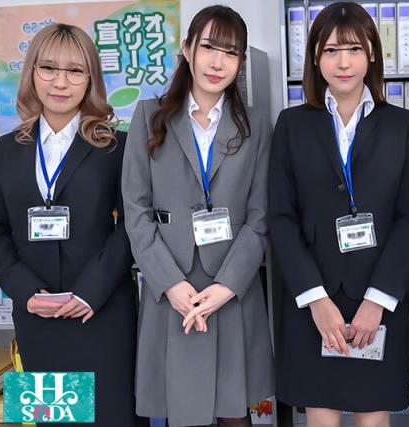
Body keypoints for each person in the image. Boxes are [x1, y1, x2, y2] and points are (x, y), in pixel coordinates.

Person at [268, 3, 409, 426]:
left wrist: (378, 300)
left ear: (372, 53)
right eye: (331, 50)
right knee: (320, 416)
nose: (343, 62)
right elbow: (281, 216)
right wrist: (315, 298)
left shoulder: (402, 125)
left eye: (354, 49)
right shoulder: (292, 125)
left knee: (372, 417)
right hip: (312, 301)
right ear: (315, 57)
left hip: (378, 300)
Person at [122, 6, 274, 427]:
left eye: (231, 52)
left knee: (236, 412)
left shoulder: (256, 126)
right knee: (184, 412)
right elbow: (135, 211)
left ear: (241, 62)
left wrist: (227, 286)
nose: (217, 62)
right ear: (187, 49)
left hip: (232, 287)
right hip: (172, 289)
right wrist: (170, 284)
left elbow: (260, 216)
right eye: (208, 47)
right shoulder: (149, 117)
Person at [0, 23, 141, 426]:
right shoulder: (4, 152)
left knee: (111, 418)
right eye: (48, 68)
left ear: (90, 78)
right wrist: (25, 291)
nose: (60, 82)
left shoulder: (117, 146)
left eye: (75, 71)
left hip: (101, 313)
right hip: (36, 316)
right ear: (32, 73)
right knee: (52, 420)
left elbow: (133, 225)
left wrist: (91, 292)